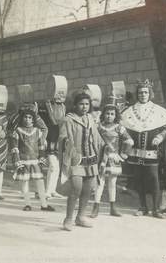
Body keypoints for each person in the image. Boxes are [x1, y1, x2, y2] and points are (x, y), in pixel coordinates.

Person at [121, 79, 166, 219]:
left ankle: (155, 209)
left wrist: (161, 136)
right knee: (139, 180)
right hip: (136, 152)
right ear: (137, 94)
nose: (143, 95)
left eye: (145, 92)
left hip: (152, 152)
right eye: (140, 93)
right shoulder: (130, 111)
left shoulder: (157, 110)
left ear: (150, 93)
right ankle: (142, 207)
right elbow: (124, 128)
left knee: (153, 179)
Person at [59, 92, 104, 231]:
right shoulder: (69, 119)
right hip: (75, 159)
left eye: (86, 104)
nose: (84, 107)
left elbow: (97, 138)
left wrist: (105, 147)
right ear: (75, 105)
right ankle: (68, 219)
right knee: (76, 189)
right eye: (81, 104)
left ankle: (81, 217)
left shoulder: (91, 119)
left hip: (90, 160)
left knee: (87, 190)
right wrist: (66, 142)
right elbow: (63, 136)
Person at [90, 100, 134, 218]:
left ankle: (113, 208)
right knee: (100, 183)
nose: (109, 116)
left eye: (112, 114)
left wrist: (123, 155)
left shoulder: (119, 128)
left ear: (116, 115)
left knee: (113, 183)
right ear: (103, 114)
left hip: (113, 159)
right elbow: (91, 139)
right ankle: (96, 207)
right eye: (107, 113)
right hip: (100, 159)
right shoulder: (98, 127)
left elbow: (129, 141)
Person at [9, 105, 55, 212]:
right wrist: (17, 161)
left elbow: (41, 146)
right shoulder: (17, 131)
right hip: (24, 160)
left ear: (33, 119)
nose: (27, 119)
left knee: (39, 181)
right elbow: (15, 147)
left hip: (35, 161)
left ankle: (44, 204)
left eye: (30, 117)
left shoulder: (37, 131)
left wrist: (42, 158)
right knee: (25, 182)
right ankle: (27, 203)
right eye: (25, 117)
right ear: (22, 118)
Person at [38, 76, 67, 199]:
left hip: (58, 139)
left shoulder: (63, 106)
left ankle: (52, 190)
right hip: (49, 138)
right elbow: (53, 121)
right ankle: (46, 191)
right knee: (53, 165)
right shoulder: (46, 105)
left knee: (56, 166)